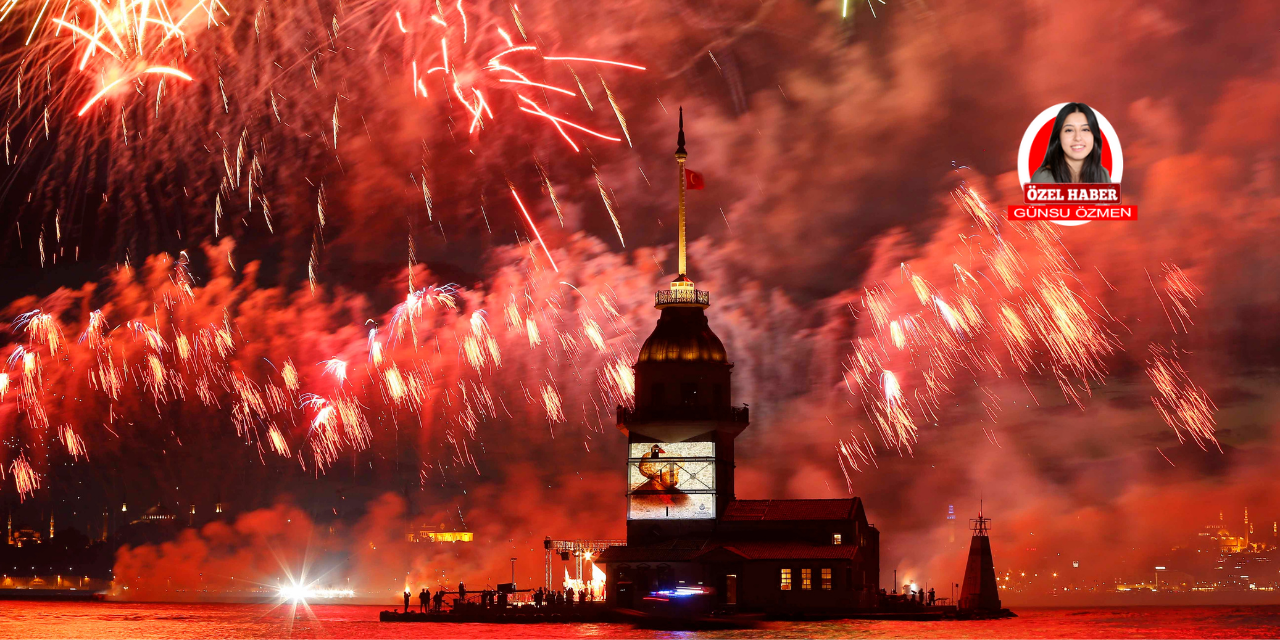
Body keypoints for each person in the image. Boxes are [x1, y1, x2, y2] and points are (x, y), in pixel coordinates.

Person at [1031, 103, 1111, 184]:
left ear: (1094, 136)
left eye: (1085, 129)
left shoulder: (1103, 175)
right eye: (1069, 130)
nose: (1077, 137)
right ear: (1058, 136)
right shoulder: (1043, 178)